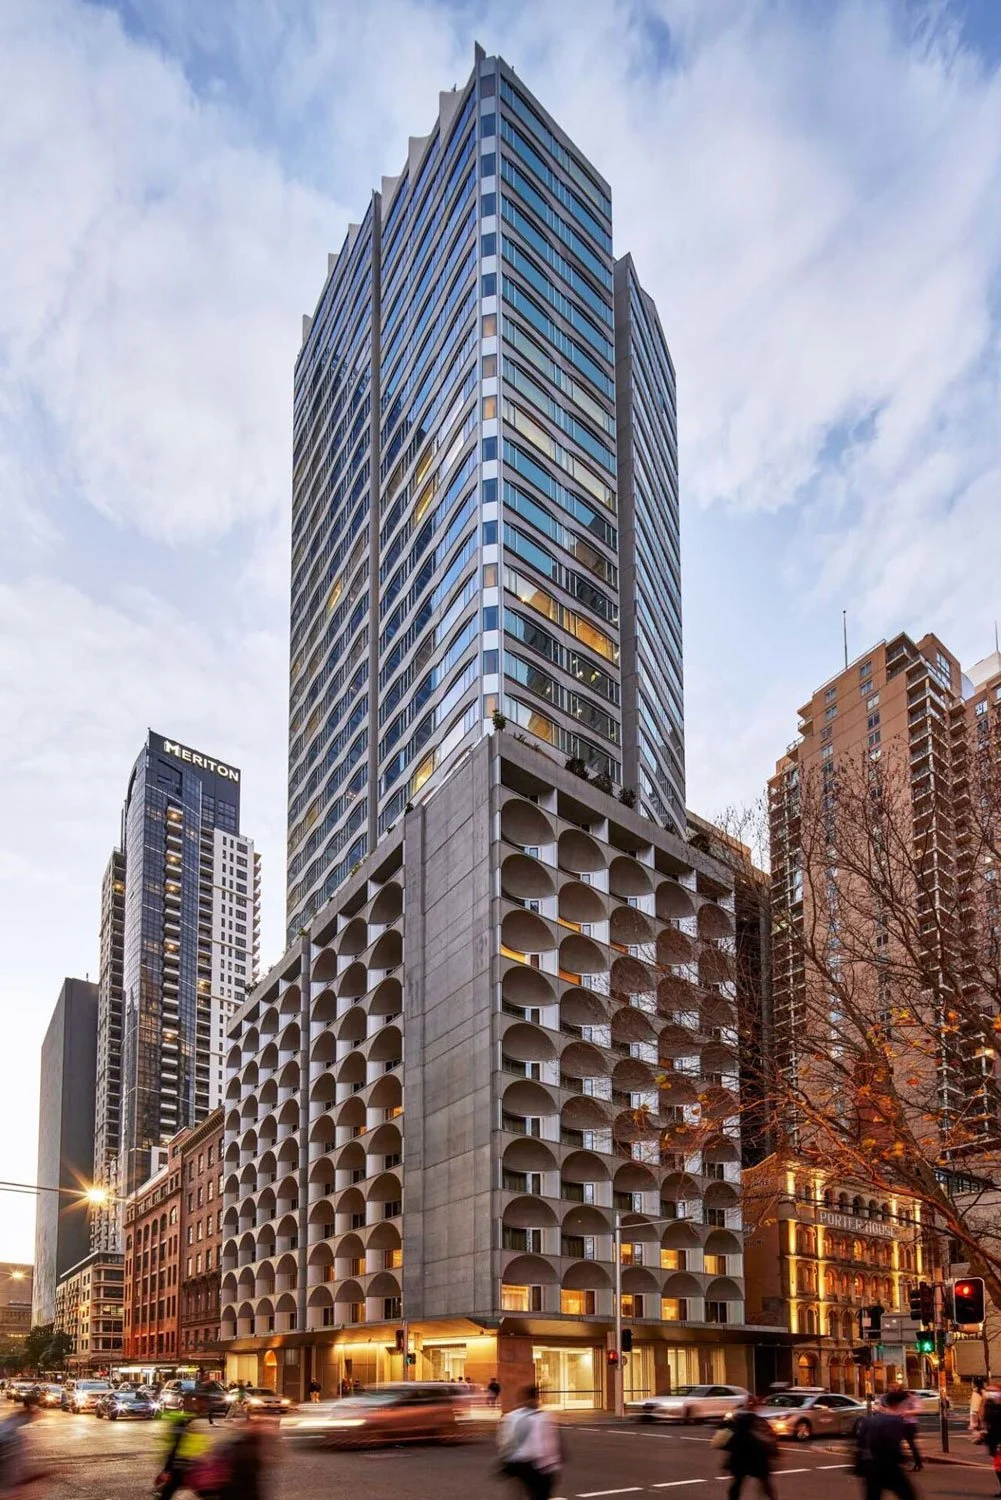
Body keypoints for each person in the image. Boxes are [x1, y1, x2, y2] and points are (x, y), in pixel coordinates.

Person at [497, 1384, 563, 1500]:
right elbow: (550, 1444)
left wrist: (506, 1458)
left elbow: (504, 1441)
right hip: (538, 1466)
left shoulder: (511, 1417)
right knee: (540, 1495)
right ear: (535, 1399)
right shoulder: (545, 1418)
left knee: (518, 1493)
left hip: (517, 1464)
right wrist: (554, 1463)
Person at [855, 1387, 917, 1500]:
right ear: (900, 1404)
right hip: (888, 1467)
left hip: (870, 1467)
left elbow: (859, 1443)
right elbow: (891, 1444)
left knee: (873, 1496)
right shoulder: (895, 1421)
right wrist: (901, 1459)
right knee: (908, 1495)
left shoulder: (868, 1420)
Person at [720, 1396, 778, 1500]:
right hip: (757, 1457)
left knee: (738, 1483)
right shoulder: (758, 1421)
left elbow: (729, 1437)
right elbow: (769, 1437)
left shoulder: (737, 1420)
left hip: (740, 1457)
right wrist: (774, 1453)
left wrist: (727, 1461)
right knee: (764, 1482)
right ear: (756, 1406)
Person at [982, 1385, 1001, 1495]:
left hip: (998, 1440)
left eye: (995, 1392)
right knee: (998, 1466)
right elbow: (986, 1419)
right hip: (995, 1438)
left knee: (999, 1466)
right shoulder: (990, 1405)